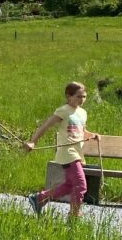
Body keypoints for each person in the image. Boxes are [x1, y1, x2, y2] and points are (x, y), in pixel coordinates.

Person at [25, 81, 97, 220]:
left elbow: (82, 131)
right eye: (78, 96)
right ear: (68, 96)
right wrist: (32, 141)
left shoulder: (83, 113)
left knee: (70, 185)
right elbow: (45, 126)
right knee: (81, 185)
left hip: (77, 152)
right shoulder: (63, 110)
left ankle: (39, 198)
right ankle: (74, 215)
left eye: (84, 96)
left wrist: (93, 135)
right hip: (68, 153)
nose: (82, 100)